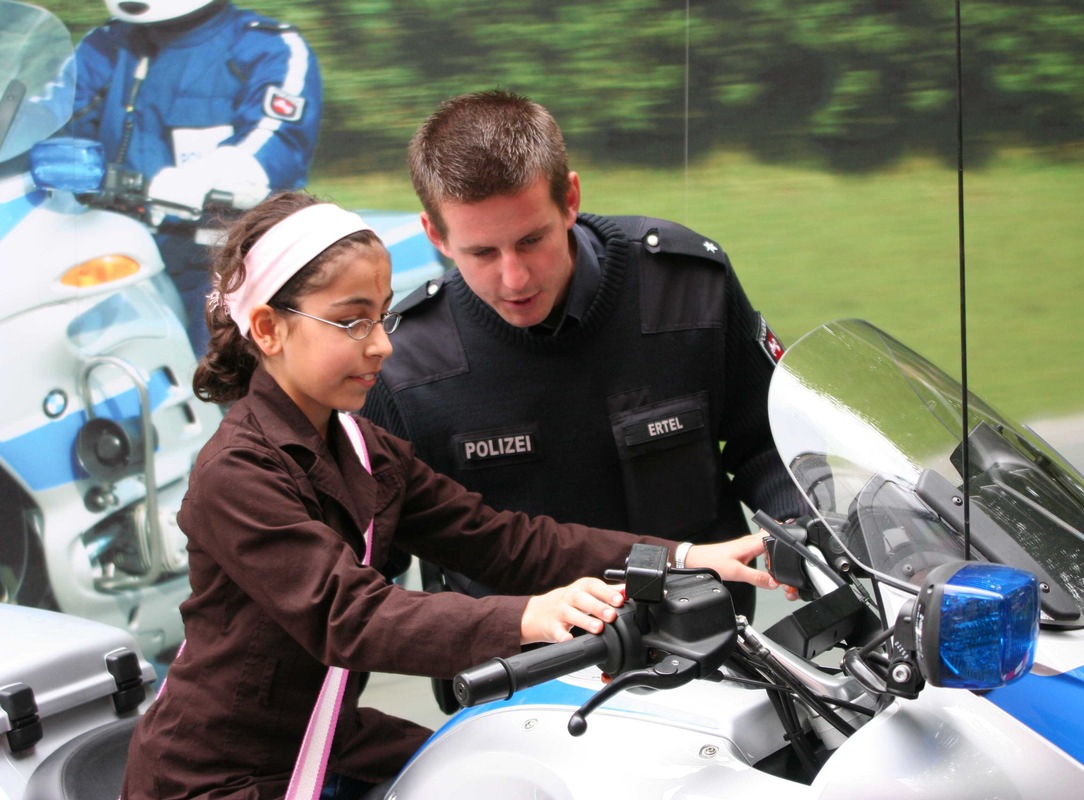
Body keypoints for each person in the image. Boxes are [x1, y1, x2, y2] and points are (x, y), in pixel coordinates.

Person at [119, 191, 774, 799]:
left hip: (325, 740)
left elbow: (506, 541)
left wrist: (684, 558)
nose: (380, 345)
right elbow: (352, 616)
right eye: (351, 323)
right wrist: (531, 617)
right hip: (220, 772)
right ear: (267, 329)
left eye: (379, 317)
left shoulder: (363, 447)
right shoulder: (236, 473)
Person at [363, 89, 807, 623]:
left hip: (709, 647)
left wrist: (800, 536)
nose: (514, 278)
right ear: (435, 235)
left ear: (570, 199)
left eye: (531, 240)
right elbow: (366, 568)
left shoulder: (686, 286)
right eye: (482, 252)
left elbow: (769, 444)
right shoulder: (403, 366)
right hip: (523, 681)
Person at [71, 0, 322, 356]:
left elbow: (273, 141)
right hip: (113, 246)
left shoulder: (268, 47)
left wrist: (191, 181)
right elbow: (52, 126)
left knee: (218, 368)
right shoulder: (105, 46)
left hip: (222, 255)